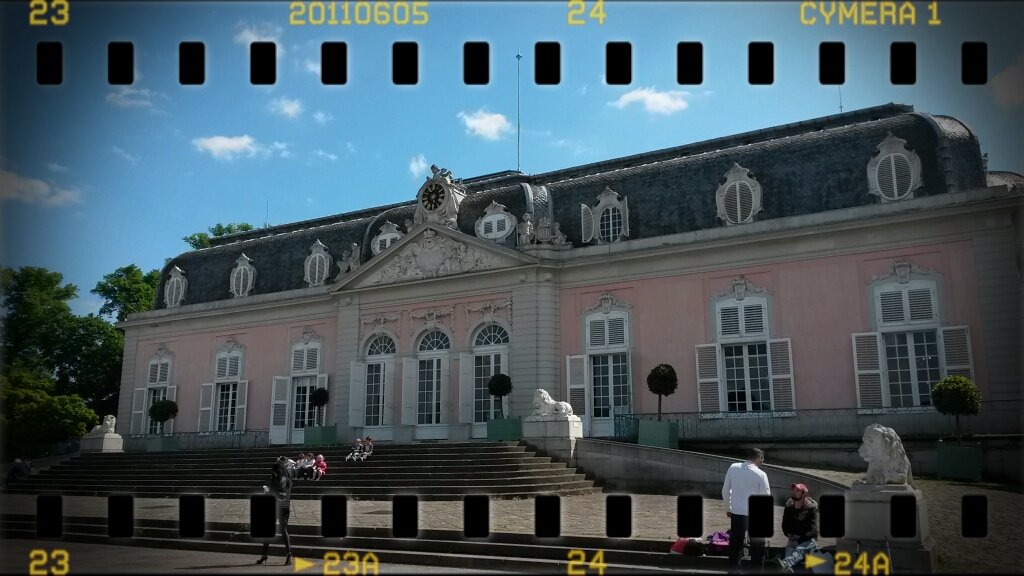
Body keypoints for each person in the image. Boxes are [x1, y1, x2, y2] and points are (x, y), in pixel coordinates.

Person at [722, 448, 771, 572]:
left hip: (737, 513)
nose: (763, 462)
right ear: (759, 458)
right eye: (762, 459)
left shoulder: (733, 468)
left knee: (735, 547)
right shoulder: (761, 474)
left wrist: (728, 508)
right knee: (758, 548)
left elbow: (725, 491)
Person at [770, 483, 820, 573]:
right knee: (789, 555)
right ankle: (784, 565)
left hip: (808, 540)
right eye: (794, 490)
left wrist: (799, 541)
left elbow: (813, 530)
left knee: (799, 550)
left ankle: (784, 563)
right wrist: (788, 534)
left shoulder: (810, 509)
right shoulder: (789, 507)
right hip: (793, 538)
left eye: (797, 491)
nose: (794, 492)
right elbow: (784, 525)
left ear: (804, 494)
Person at [257, 460, 293, 566]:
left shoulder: (274, 480)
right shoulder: (288, 480)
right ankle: (289, 553)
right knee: (284, 530)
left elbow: (272, 493)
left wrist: (266, 492)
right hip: (286, 506)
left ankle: (264, 554)